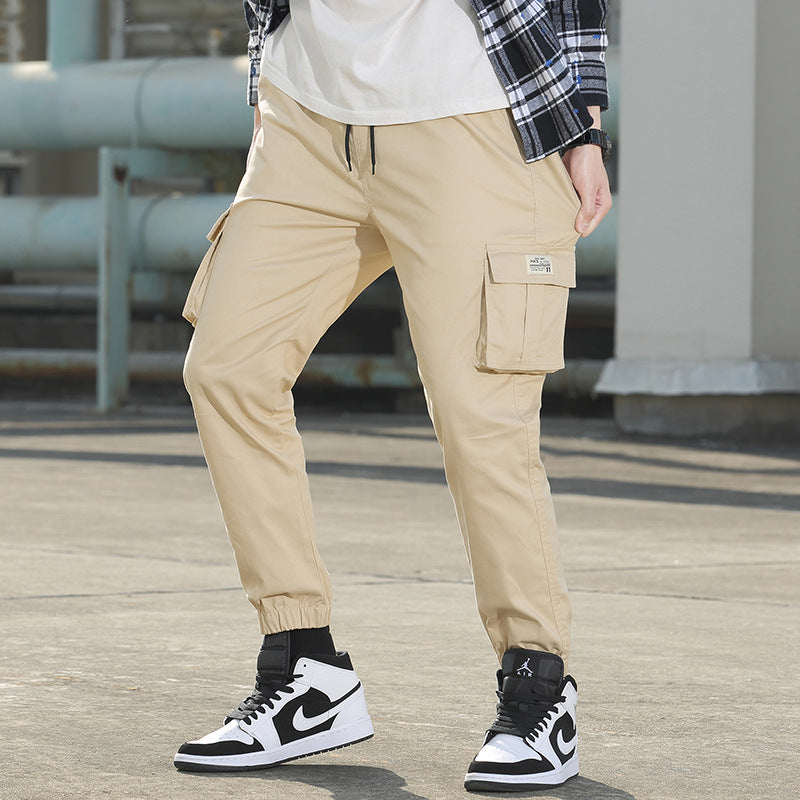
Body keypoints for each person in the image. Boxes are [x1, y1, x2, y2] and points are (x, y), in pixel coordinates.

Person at [173, 0, 612, 791]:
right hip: (306, 119)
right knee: (228, 368)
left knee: (479, 413)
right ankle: (304, 666)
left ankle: (539, 687)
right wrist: (266, 78)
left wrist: (582, 118)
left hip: (469, 115)